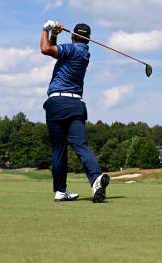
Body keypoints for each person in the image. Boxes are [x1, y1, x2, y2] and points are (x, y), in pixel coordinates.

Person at [40, 20, 110, 203]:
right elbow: (55, 51)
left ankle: (60, 190)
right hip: (76, 104)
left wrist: (45, 30)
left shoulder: (72, 49)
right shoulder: (84, 52)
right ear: (88, 39)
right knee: (81, 145)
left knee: (58, 149)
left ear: (72, 36)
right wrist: (55, 34)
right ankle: (95, 179)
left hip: (56, 103)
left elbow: (46, 49)